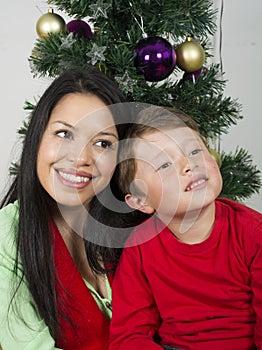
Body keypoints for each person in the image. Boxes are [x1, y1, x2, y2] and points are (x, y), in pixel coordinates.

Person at [109, 105, 262, 350]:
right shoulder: (139, 248)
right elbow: (129, 336)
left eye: (193, 151)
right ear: (141, 201)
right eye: (165, 165)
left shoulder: (253, 232)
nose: (188, 165)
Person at [0, 68, 131, 350]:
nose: (80, 157)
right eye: (64, 133)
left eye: (102, 143)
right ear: (37, 138)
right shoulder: (7, 235)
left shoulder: (136, 224)